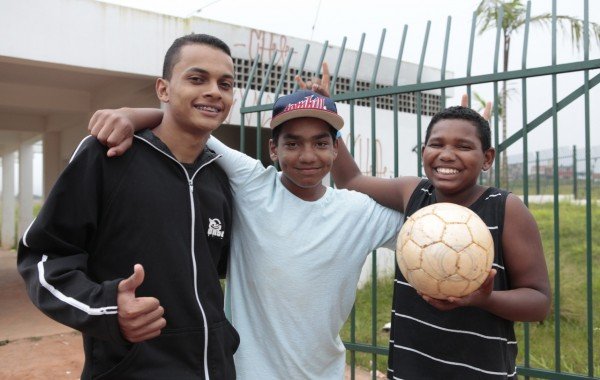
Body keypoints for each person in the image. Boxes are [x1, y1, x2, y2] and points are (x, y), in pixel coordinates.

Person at [87, 89, 404, 379]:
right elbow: (188, 125)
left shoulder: (360, 212)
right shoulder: (253, 184)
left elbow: (427, 234)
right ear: (273, 149)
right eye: (292, 143)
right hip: (243, 372)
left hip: (324, 373)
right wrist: (130, 114)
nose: (307, 155)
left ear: (335, 149)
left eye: (321, 143)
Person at [17, 33, 239, 379]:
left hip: (216, 370)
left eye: (225, 84)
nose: (214, 91)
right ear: (163, 89)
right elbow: (43, 258)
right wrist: (106, 308)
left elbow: (218, 272)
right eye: (197, 78)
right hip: (131, 369)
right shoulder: (107, 156)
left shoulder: (220, 177)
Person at [330, 104, 551, 379]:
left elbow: (539, 301)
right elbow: (351, 180)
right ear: (424, 152)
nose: (447, 155)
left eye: (463, 146)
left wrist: (484, 299)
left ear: (487, 157)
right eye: (436, 144)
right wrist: (328, 123)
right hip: (409, 369)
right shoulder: (414, 193)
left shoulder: (506, 209)